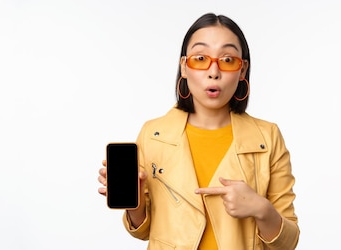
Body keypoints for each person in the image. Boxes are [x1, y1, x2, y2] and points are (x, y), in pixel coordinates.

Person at [98, 12, 299, 249]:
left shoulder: (268, 137)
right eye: (201, 58)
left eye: (227, 60)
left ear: (242, 70)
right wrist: (136, 204)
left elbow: (289, 242)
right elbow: (143, 231)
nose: (213, 72)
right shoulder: (153, 135)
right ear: (184, 66)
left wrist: (261, 209)